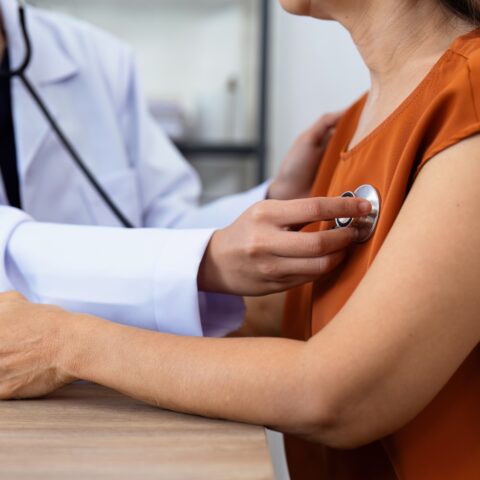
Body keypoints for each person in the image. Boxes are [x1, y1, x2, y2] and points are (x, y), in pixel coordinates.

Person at [2, 0, 480, 478]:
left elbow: (338, 394)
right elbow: (284, 312)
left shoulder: (469, 96)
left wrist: (69, 344)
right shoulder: (358, 119)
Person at [0, 0, 366, 338]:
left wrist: (277, 199)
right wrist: (205, 260)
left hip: (112, 372)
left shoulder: (94, 57)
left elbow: (161, 223)